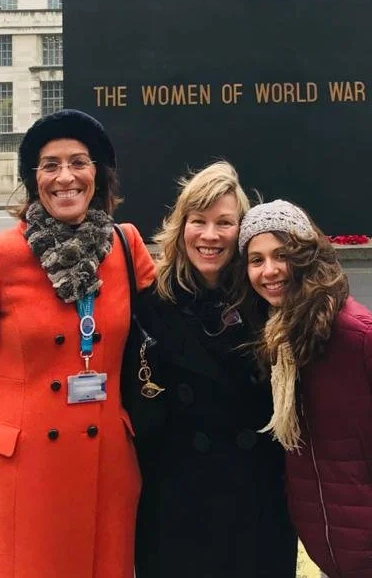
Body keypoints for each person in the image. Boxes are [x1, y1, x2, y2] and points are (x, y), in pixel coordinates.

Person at [0, 109, 155, 578]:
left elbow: (173, 327)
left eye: (79, 162)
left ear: (98, 174)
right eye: (50, 165)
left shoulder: (125, 246)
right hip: (16, 475)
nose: (66, 178)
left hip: (104, 469)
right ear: (33, 179)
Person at [237, 200, 372, 578]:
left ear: (305, 256)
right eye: (256, 260)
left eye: (281, 255)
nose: (269, 270)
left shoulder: (354, 334)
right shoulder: (282, 337)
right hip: (340, 551)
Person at [133, 162, 298, 578]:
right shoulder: (149, 303)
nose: (210, 236)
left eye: (224, 223)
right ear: (180, 226)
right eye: (199, 221)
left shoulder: (270, 301)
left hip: (257, 498)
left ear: (240, 232)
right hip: (175, 500)